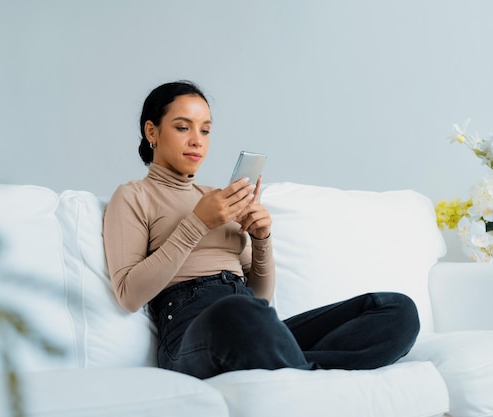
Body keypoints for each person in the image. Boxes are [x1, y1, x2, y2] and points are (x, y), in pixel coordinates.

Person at [102, 80, 420, 379]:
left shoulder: (218, 197)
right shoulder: (133, 196)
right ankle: (304, 372)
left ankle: (296, 372)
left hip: (254, 324)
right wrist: (197, 224)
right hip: (193, 333)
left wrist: (261, 239)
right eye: (183, 127)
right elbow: (129, 295)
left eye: (206, 130)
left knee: (396, 310)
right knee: (240, 312)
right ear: (151, 132)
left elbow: (262, 299)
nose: (197, 140)